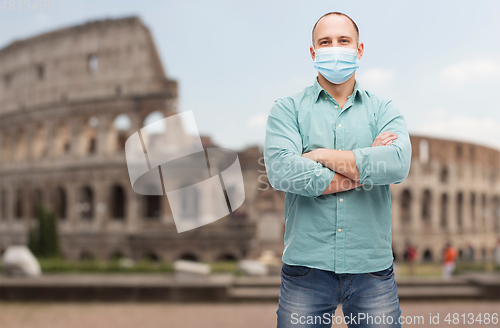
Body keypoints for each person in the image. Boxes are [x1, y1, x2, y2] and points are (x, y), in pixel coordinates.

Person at [264, 11, 412, 328]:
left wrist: (317, 154)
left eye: (343, 40)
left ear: (359, 49)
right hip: (306, 266)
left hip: (371, 267)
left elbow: (397, 164)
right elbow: (282, 171)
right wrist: (365, 165)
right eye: (325, 41)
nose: (335, 47)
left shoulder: (384, 109)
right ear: (313, 52)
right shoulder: (286, 109)